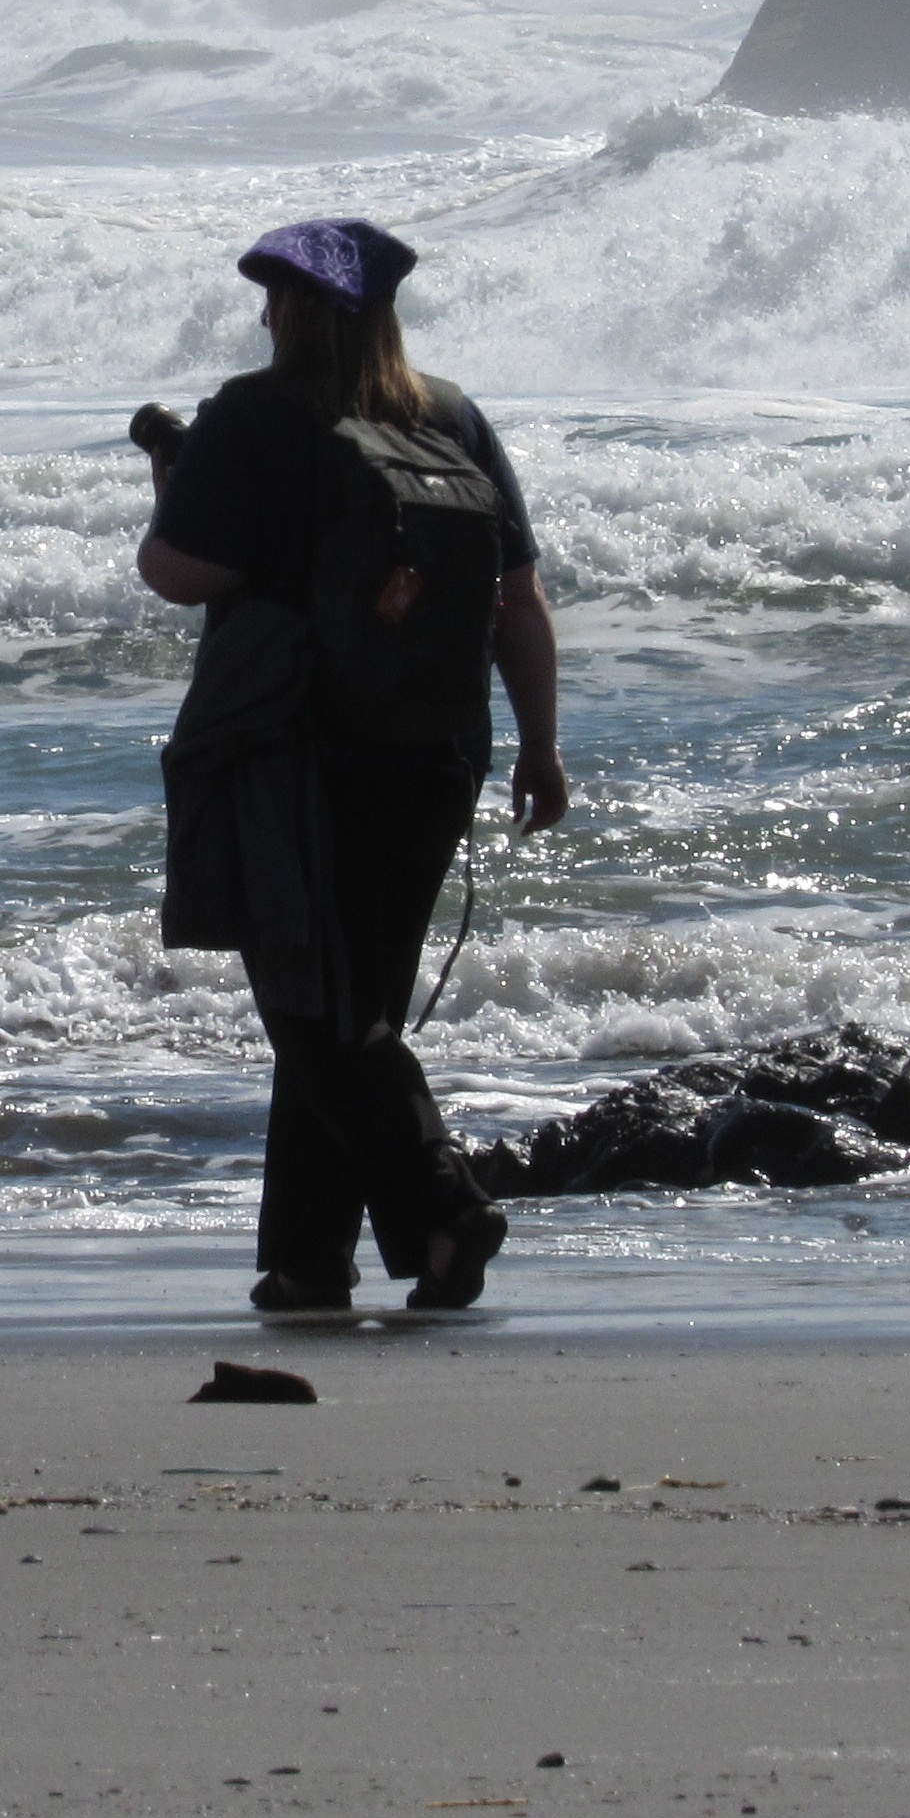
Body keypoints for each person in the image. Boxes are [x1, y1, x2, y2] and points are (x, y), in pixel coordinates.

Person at [137, 216, 567, 1315]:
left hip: (296, 743)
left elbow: (178, 572)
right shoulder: (451, 418)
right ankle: (307, 1260)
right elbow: (519, 599)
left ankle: (445, 1209)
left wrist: (173, 491)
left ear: (299, 310)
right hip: (436, 748)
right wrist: (540, 745)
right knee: (351, 995)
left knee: (309, 1002)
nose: (262, 314)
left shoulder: (254, 413)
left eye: (274, 295)